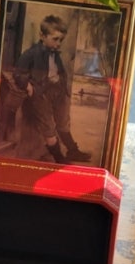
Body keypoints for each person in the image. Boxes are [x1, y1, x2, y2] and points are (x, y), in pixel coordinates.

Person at [12, 14, 92, 164]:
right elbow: (18, 74)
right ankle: (59, 158)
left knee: (63, 122)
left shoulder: (54, 53)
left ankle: (73, 151)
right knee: (48, 126)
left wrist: (62, 87)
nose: (59, 43)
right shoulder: (31, 54)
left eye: (61, 40)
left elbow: (57, 71)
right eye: (55, 39)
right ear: (42, 36)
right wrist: (29, 87)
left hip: (58, 92)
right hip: (41, 95)